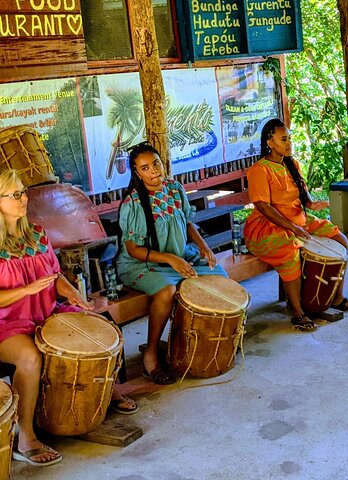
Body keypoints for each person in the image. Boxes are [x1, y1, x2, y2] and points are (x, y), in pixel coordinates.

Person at [0, 170, 137, 467]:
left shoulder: (35, 233)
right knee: (29, 357)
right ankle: (25, 437)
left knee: (101, 326)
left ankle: (102, 394)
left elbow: (54, 277)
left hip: (46, 313)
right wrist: (25, 290)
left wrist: (72, 292)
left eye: (23, 192)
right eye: (15, 194)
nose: (24, 199)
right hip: (7, 324)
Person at [116, 142, 226, 385]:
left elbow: (187, 223)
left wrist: (204, 247)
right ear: (136, 173)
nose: (153, 170)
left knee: (218, 277)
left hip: (178, 254)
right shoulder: (134, 203)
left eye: (155, 163)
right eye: (145, 168)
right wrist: (170, 259)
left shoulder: (175, 189)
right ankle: (152, 353)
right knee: (167, 291)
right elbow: (133, 249)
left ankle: (189, 346)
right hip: (140, 264)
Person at [244, 118, 348, 332]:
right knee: (290, 251)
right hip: (266, 228)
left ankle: (337, 296)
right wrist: (292, 228)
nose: (289, 143)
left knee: (341, 241)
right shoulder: (259, 170)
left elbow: (303, 198)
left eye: (290, 139)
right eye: (284, 139)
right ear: (269, 142)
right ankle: (298, 312)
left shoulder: (292, 164)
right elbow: (263, 206)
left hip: (299, 221)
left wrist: (312, 204)